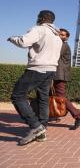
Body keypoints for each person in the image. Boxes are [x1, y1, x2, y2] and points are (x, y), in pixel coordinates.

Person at [7, 10, 62, 145]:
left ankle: (35, 126)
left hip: (37, 68)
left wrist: (12, 38)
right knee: (43, 99)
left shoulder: (39, 29)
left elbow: (23, 42)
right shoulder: (57, 36)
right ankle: (42, 129)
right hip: (50, 70)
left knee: (17, 96)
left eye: (38, 17)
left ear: (42, 18)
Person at [51, 28, 80, 131]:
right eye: (59, 34)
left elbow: (54, 56)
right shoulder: (61, 44)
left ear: (67, 37)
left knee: (61, 98)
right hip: (57, 74)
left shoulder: (63, 45)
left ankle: (78, 116)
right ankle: (54, 115)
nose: (60, 36)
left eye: (63, 35)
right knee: (53, 96)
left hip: (59, 75)